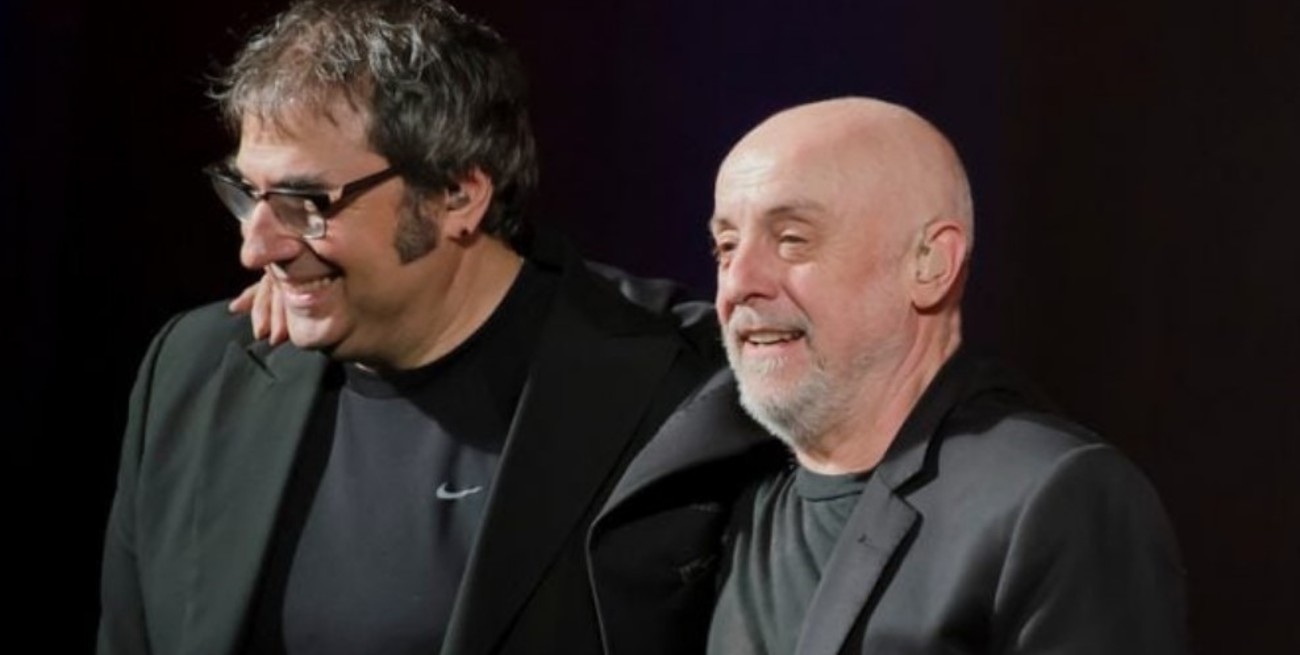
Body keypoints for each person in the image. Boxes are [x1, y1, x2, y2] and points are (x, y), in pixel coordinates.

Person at [96, 1, 719, 653]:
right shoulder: (196, 371)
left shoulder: (670, 384)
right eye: (247, 194)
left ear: (458, 195)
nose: (255, 249)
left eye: (305, 203)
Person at [586, 97, 1189, 654]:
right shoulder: (711, 482)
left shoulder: (1054, 497)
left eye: (792, 240)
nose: (739, 282)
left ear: (930, 263)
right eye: (725, 246)